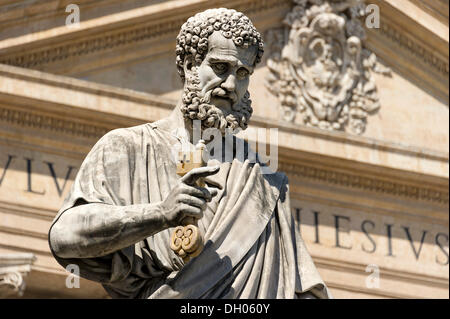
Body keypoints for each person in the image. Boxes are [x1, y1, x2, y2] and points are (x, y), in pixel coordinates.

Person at [48, 8, 330, 299]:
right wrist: (159, 214)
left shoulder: (264, 181)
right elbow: (64, 238)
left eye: (242, 73)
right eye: (221, 68)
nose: (232, 85)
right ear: (189, 65)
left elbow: (300, 289)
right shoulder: (127, 146)